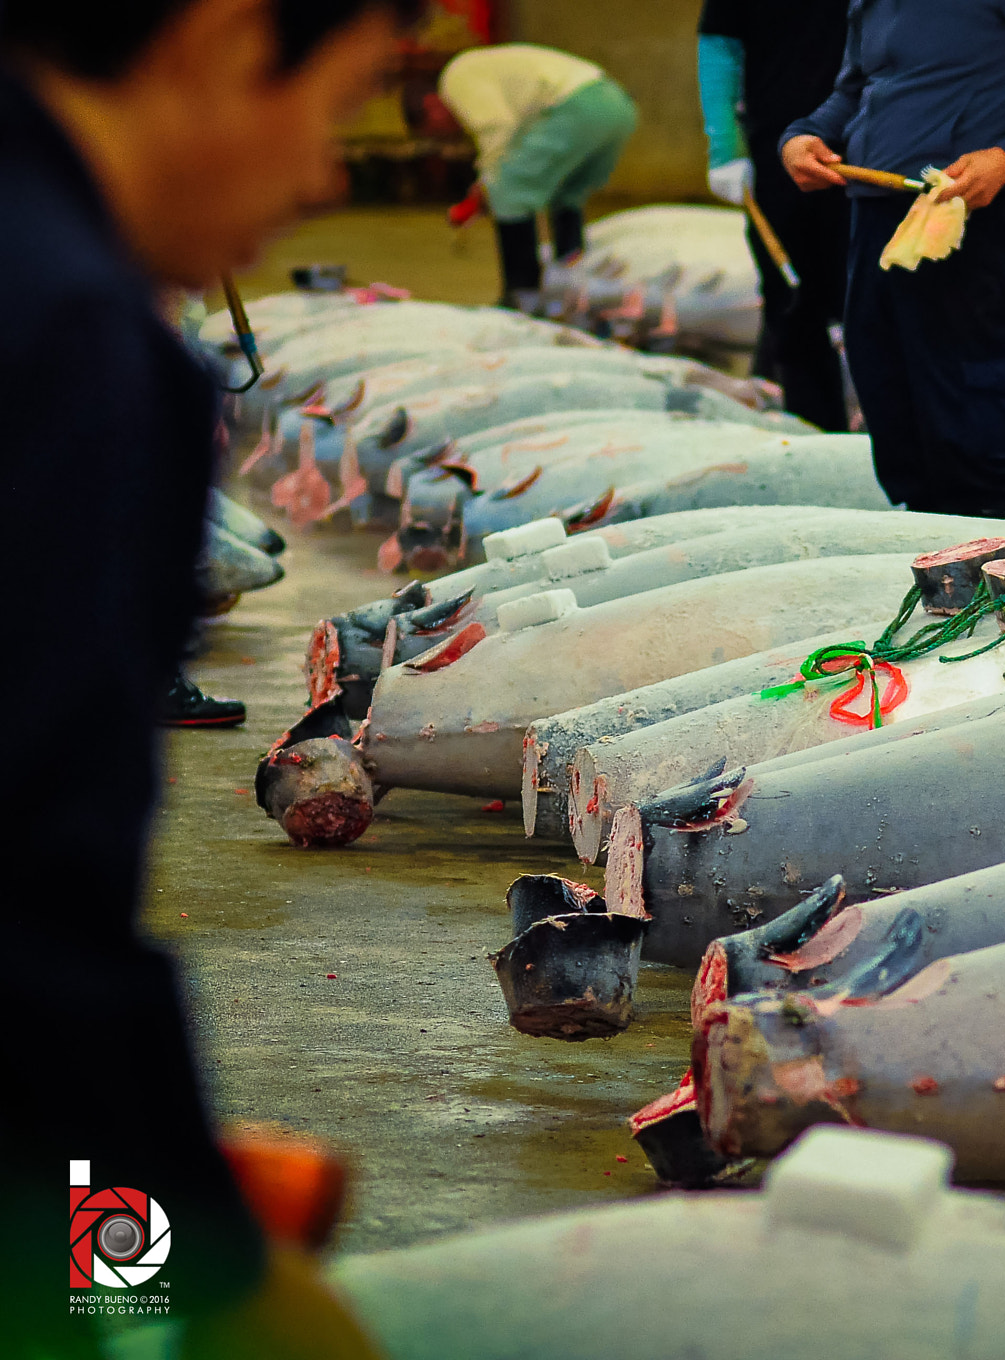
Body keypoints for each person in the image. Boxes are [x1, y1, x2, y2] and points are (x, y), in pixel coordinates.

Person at [0, 0, 416, 1354]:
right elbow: (33, 928)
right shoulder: (67, 338)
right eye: (339, 110)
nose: (319, 180)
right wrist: (167, 1274)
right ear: (226, 45)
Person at [782, 0, 1005, 518]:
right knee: (897, 420)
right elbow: (855, 92)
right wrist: (803, 136)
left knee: (980, 442)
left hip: (969, 229)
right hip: (875, 224)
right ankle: (943, 577)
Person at [696, 0, 853, 432]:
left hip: (870, 150)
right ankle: (819, 436)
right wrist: (725, 144)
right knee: (793, 303)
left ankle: (895, 438)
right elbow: (719, 49)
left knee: (870, 296)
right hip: (779, 149)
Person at [437, 43, 638, 308]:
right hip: (616, 104)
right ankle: (572, 286)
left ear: (431, 105)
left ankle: (522, 294)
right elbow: (520, 138)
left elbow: (497, 127)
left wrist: (490, 181)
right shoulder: (493, 77)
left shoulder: (455, 79)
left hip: (577, 103)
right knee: (565, 194)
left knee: (508, 188)